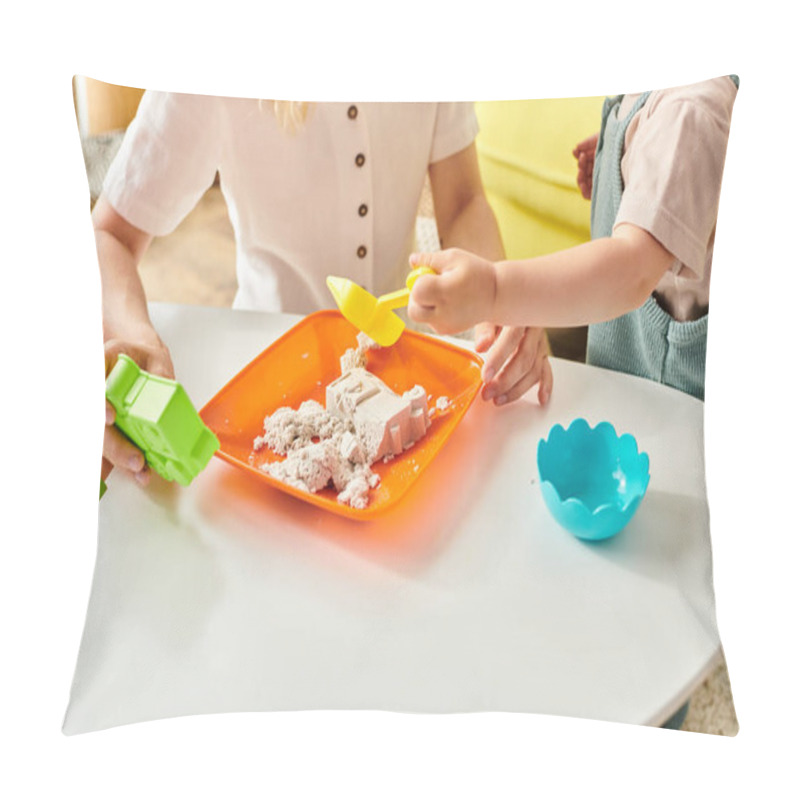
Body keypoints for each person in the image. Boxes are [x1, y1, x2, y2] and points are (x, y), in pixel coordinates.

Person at [96, 94, 553, 487]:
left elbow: (463, 200)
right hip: (263, 402)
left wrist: (499, 296)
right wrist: (139, 338)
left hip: (404, 382)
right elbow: (108, 236)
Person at [408, 75, 738, 403]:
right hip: (623, 362)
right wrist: (630, 156)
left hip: (672, 395)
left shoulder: (689, 110)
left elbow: (632, 269)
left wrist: (494, 290)